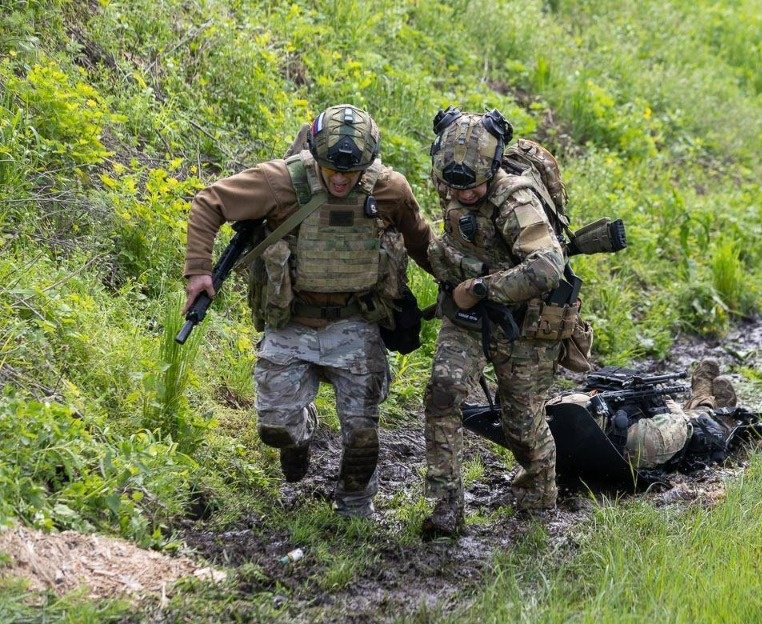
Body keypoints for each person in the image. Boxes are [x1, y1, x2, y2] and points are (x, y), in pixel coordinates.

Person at [182, 104, 435, 518]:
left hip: (356, 324)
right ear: (315, 155)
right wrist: (198, 271)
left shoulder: (390, 190)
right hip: (292, 322)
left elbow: (422, 242)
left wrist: (457, 284)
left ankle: (355, 507)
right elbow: (210, 202)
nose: (340, 180)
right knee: (276, 428)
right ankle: (302, 432)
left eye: (350, 172)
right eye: (331, 169)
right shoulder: (280, 182)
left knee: (362, 435)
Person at [421, 107, 570, 538]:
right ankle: (446, 506)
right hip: (468, 317)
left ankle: (537, 499)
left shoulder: (515, 201)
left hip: (524, 324)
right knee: (443, 393)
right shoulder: (451, 179)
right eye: (454, 186)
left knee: (521, 425)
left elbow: (548, 267)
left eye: (473, 187)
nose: (463, 194)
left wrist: (482, 288)